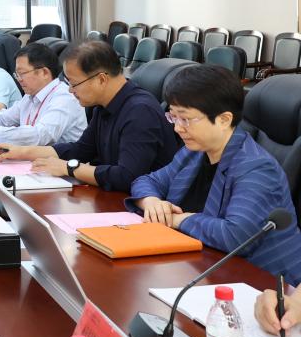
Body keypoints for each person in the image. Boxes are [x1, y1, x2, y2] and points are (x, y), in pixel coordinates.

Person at [127, 64, 301, 284]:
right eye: (173, 117)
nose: (177, 128)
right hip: (200, 267)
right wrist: (151, 201)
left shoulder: (257, 168)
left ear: (224, 120)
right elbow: (147, 180)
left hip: (262, 284)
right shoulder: (195, 152)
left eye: (185, 119)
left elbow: (235, 236)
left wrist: (179, 219)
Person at [0, 41, 178, 192]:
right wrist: (21, 152)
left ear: (101, 79)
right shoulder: (102, 106)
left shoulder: (140, 111)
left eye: (74, 84)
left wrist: (69, 168)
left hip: (143, 207)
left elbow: (126, 176)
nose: (70, 90)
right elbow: (80, 150)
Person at [0, 43, 85, 145]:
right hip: (33, 161)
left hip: (63, 169)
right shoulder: (30, 95)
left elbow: (40, 135)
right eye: (17, 74)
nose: (18, 79)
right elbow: (3, 118)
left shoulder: (64, 97)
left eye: (22, 73)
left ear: (44, 72)